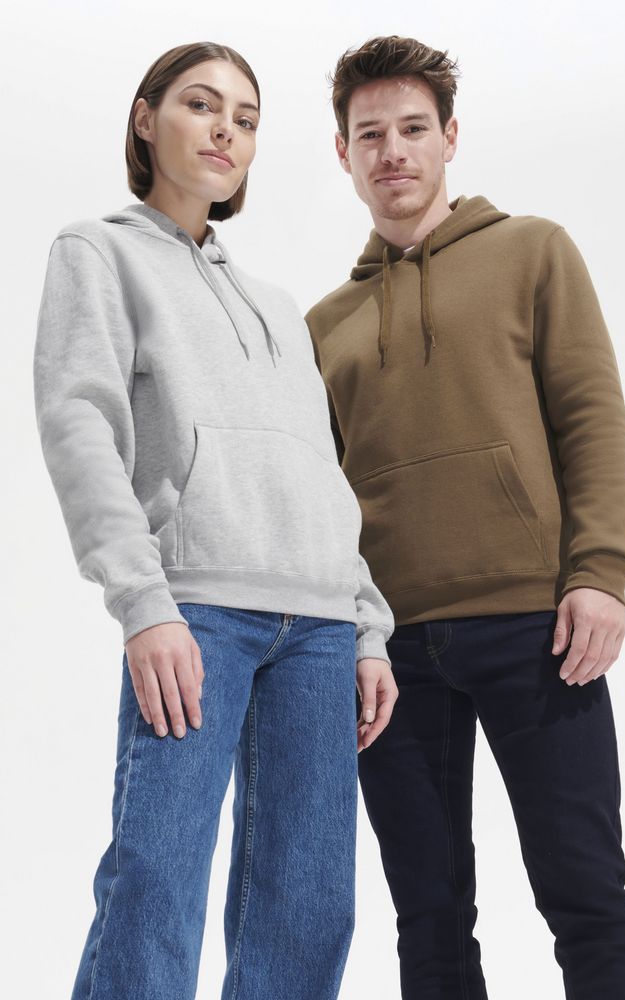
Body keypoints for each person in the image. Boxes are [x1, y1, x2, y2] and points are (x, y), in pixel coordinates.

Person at [32, 40, 397, 1000]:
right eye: (200, 104)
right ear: (145, 119)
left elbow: (321, 474)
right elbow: (79, 430)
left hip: (320, 630)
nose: (225, 129)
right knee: (155, 887)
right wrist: (142, 603)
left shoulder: (276, 306)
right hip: (196, 614)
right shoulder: (98, 251)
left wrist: (366, 625)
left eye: (245, 117)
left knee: (308, 908)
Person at [305, 34, 625, 1000]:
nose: (392, 151)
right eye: (369, 134)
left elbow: (590, 418)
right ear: (342, 153)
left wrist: (598, 575)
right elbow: (322, 497)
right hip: (389, 654)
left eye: (412, 128)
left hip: (535, 627)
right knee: (427, 922)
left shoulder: (531, 251)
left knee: (586, 896)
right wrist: (347, 636)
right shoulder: (324, 325)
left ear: (449, 137)